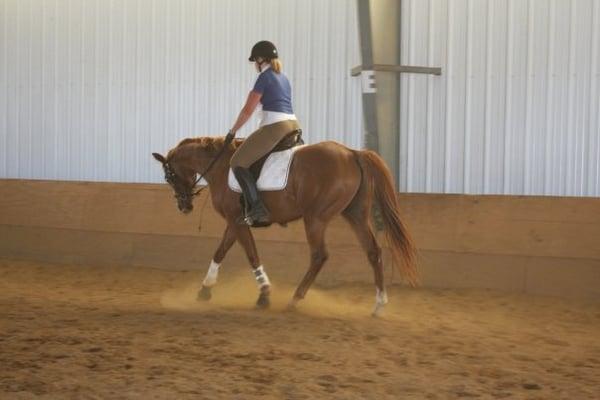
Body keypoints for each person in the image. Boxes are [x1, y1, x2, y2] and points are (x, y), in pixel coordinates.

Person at [226, 40, 301, 226]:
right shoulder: (283, 77)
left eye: (254, 61)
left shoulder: (264, 77)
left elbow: (247, 110)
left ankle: (257, 210)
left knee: (237, 161)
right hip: (294, 125)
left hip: (275, 127)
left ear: (260, 60)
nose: (254, 65)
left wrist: (232, 131)